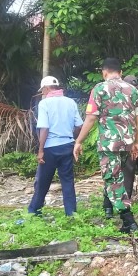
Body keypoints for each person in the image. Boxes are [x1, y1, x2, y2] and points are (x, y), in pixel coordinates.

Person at [74, 58, 138, 233]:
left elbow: (90, 117)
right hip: (127, 142)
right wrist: (136, 141)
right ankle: (108, 207)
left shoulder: (99, 89)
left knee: (112, 179)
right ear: (120, 72)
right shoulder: (132, 90)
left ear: (104, 73)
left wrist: (79, 141)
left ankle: (129, 221)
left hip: (109, 144)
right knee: (116, 176)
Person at [28, 76, 83, 217]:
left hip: (50, 147)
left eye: (42, 91)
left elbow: (44, 128)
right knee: (67, 181)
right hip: (67, 145)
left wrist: (40, 150)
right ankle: (71, 214)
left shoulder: (44, 104)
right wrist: (73, 138)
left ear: (46, 88)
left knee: (43, 181)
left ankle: (34, 211)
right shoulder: (71, 102)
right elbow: (79, 125)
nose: (43, 93)